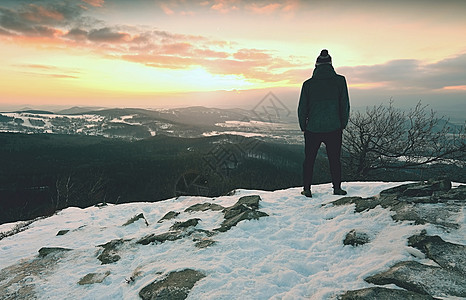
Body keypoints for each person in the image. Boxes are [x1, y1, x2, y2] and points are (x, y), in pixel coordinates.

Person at [298, 49, 350, 198]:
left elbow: (302, 108)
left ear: (316, 65)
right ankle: (337, 188)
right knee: (335, 159)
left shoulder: (308, 84)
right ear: (331, 64)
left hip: (312, 129)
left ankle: (307, 189)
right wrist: (342, 124)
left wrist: (304, 126)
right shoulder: (340, 81)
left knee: (309, 160)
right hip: (334, 128)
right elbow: (344, 105)